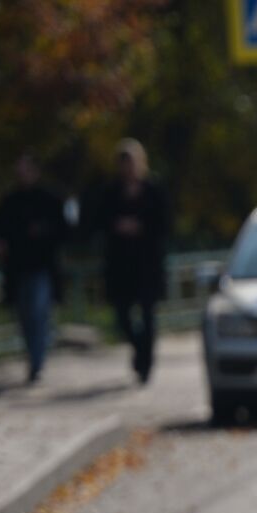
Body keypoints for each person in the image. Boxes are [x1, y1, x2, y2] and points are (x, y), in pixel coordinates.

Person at [93, 139, 169, 384]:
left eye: (132, 163)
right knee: (122, 316)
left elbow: (165, 223)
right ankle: (139, 350)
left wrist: (141, 227)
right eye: (124, 163)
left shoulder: (153, 190)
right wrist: (118, 226)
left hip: (147, 264)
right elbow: (99, 221)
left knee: (148, 315)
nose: (129, 168)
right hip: (120, 265)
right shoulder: (111, 192)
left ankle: (146, 363)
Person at [0, 153, 68, 382]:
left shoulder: (49, 198)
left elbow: (64, 231)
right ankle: (33, 356)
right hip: (17, 268)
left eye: (25, 170)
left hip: (42, 267)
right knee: (24, 316)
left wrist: (43, 232)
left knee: (39, 312)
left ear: (34, 171)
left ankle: (37, 362)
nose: (21, 175)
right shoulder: (9, 201)